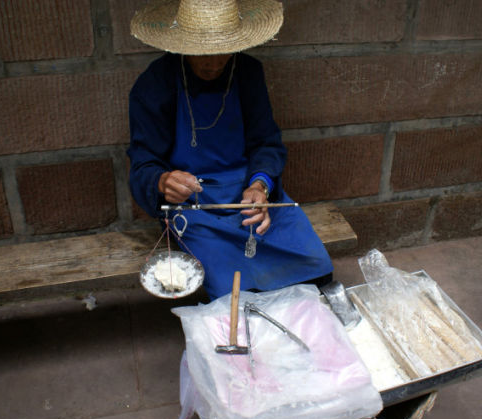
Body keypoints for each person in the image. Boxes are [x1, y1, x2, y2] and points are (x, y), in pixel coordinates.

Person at [127, 0, 334, 300]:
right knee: (229, 291)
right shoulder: (155, 84)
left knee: (316, 268)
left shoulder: (247, 73)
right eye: (203, 53)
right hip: (195, 207)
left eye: (222, 51)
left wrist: (260, 186)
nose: (213, 63)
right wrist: (162, 181)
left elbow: (266, 142)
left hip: (246, 197)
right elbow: (143, 164)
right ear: (183, 45)